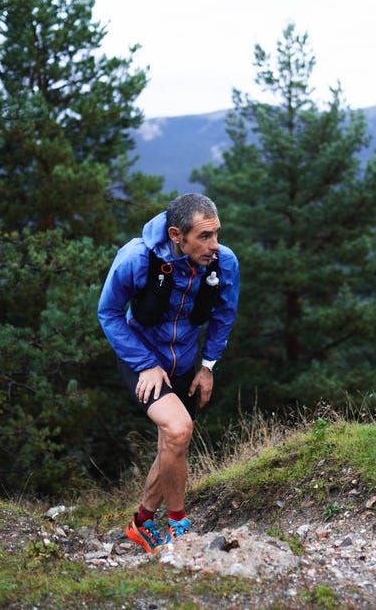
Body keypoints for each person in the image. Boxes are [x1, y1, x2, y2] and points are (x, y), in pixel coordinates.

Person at [97, 193, 239, 553]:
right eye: (204, 237)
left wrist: (207, 366)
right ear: (177, 234)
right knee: (178, 429)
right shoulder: (136, 257)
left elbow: (223, 315)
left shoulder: (223, 264)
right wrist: (145, 364)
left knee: (172, 445)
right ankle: (178, 524)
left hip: (185, 364)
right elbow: (109, 313)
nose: (214, 246)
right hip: (140, 361)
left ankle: (141, 524)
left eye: (216, 234)